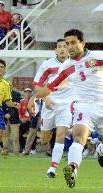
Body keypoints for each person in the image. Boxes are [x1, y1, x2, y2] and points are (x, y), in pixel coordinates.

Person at [28, 29, 103, 188]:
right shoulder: (67, 66)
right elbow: (49, 87)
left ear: (82, 43)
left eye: (73, 43)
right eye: (67, 43)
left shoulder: (98, 57)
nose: (69, 47)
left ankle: (101, 149)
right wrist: (33, 98)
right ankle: (73, 169)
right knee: (78, 137)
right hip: (82, 105)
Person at [32, 39, 70, 178]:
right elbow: (38, 84)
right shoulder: (47, 64)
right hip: (49, 105)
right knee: (44, 140)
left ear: (68, 48)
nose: (62, 49)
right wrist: (45, 98)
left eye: (64, 47)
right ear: (55, 50)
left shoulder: (74, 64)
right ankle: (47, 142)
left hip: (65, 106)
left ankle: (52, 168)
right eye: (59, 47)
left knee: (60, 136)